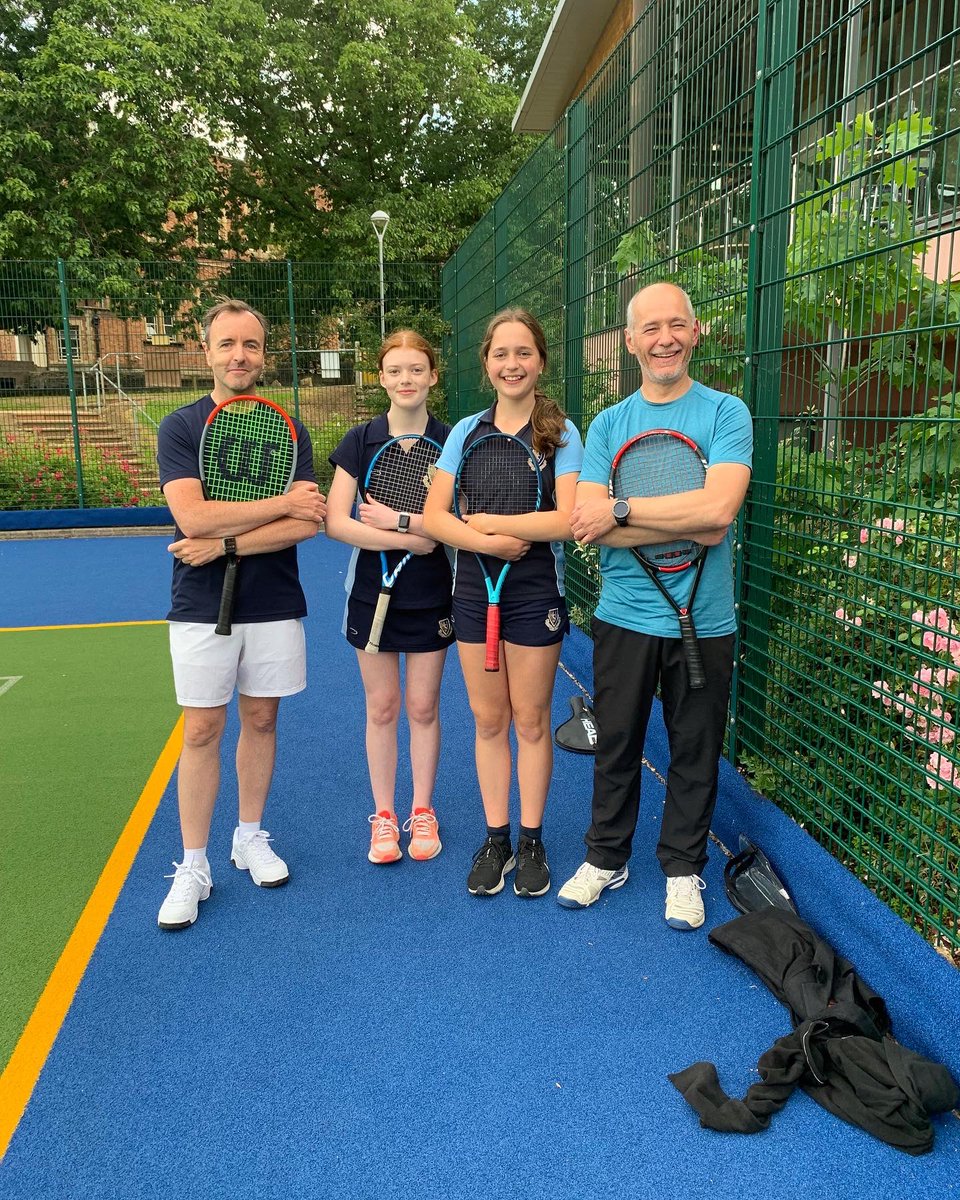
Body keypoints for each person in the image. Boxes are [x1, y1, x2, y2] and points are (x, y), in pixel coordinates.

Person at [556, 281, 752, 929]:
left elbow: (718, 515)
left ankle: (683, 868)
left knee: (695, 749)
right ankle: (606, 857)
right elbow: (586, 524)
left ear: (695, 332)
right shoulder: (610, 424)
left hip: (706, 620)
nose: (664, 339)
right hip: (624, 617)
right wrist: (671, 516)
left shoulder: (727, 413)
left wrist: (620, 510)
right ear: (631, 341)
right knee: (616, 744)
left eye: (676, 325)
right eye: (650, 328)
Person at [155, 299, 327, 930]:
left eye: (250, 345)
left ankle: (248, 835)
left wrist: (224, 543)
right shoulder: (181, 427)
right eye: (227, 344)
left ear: (264, 355)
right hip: (200, 604)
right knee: (202, 729)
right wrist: (276, 505)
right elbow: (191, 516)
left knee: (261, 718)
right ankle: (193, 864)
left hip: (273, 599)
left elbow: (306, 523)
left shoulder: (289, 428)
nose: (239, 355)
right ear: (206, 352)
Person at [423, 308, 583, 899]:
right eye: (500, 354)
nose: (511, 364)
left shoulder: (561, 433)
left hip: (536, 591)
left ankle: (532, 839)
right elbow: (435, 516)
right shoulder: (466, 432)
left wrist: (494, 522)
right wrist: (487, 541)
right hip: (473, 593)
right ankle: (497, 839)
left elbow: (567, 520)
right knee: (489, 721)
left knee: (531, 720)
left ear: (540, 361)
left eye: (523, 353)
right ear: (486, 363)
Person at [324, 330, 453, 864]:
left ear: (433, 377)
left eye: (416, 369)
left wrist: (406, 523)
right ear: (381, 378)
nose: (406, 379)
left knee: (422, 706)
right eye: (395, 370)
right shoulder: (360, 440)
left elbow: (458, 519)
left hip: (433, 595)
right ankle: (383, 815)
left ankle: (422, 809)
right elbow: (336, 522)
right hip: (369, 594)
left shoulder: (452, 440)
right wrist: (409, 539)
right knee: (382, 707)